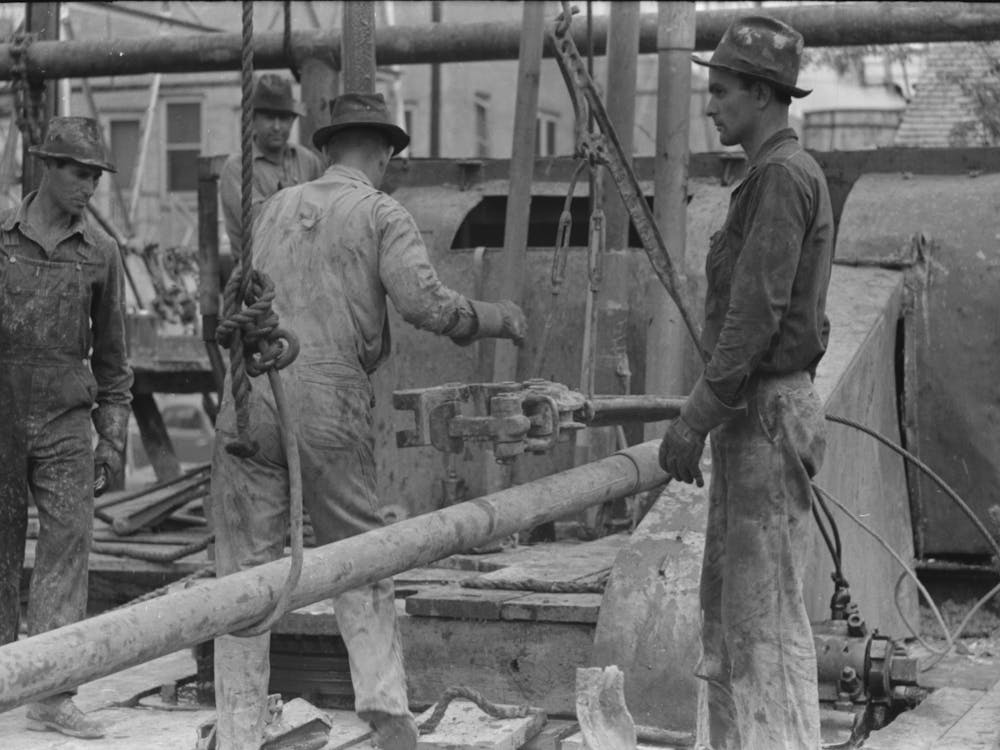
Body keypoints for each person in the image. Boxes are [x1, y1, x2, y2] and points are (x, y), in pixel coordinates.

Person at [209, 92, 526, 750]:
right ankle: (386, 713)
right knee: (360, 559)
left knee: (241, 580)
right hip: (328, 402)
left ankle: (239, 732)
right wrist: (498, 317)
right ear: (382, 155)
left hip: (250, 401)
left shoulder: (269, 208)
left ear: (323, 150)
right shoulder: (381, 212)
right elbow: (427, 305)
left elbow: (236, 297)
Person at [658, 16, 834, 750]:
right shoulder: (765, 177)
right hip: (752, 413)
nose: (710, 106)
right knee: (731, 619)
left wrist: (694, 417)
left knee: (761, 621)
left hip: (762, 412)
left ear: (764, 95)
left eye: (722, 91)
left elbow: (754, 314)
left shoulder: (783, 178)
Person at [0, 117, 132, 740]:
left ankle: (52, 692)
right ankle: (3, 679)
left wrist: (113, 434)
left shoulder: (102, 253)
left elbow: (112, 360)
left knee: (67, 546)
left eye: (95, 176)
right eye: (78, 173)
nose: (89, 187)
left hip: (64, 418)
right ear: (45, 167)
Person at [219, 73, 325, 258]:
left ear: (292, 120)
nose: (277, 126)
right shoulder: (237, 168)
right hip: (256, 274)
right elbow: (263, 226)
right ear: (252, 120)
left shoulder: (308, 161)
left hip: (305, 271)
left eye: (283, 118)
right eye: (269, 117)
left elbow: (325, 219)